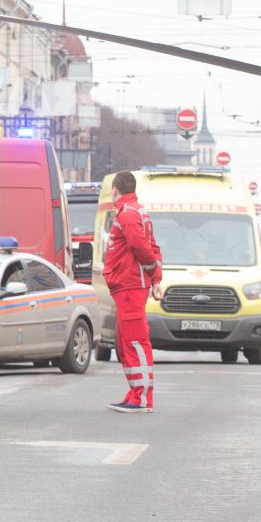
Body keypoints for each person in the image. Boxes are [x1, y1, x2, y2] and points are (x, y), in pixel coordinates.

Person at [102, 170, 163, 412]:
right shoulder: (138, 212)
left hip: (130, 285)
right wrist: (155, 277)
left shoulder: (127, 214)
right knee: (127, 341)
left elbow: (142, 248)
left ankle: (142, 397)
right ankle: (134, 392)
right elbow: (154, 247)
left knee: (135, 341)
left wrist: (150, 272)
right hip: (128, 286)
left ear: (115, 190)